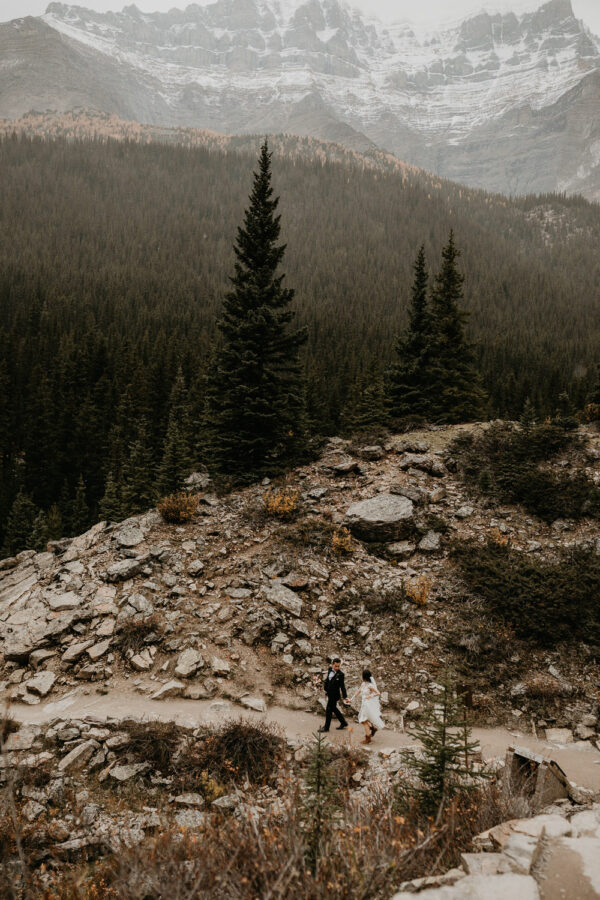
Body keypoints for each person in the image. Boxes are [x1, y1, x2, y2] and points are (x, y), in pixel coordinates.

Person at [349, 669, 384, 744]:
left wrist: (370, 696)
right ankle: (373, 728)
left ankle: (368, 738)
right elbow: (358, 691)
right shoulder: (363, 684)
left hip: (368, 704)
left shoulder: (370, 685)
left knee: (363, 720)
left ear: (364, 676)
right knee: (363, 719)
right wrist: (351, 699)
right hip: (364, 703)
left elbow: (378, 693)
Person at [318, 657, 348, 732]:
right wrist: (325, 687)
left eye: (338, 666)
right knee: (333, 708)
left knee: (329, 710)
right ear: (332, 665)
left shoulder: (341, 675)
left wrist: (345, 697)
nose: (337, 668)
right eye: (336, 666)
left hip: (335, 695)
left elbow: (342, 686)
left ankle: (326, 728)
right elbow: (328, 680)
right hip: (329, 693)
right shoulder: (329, 670)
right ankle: (343, 722)